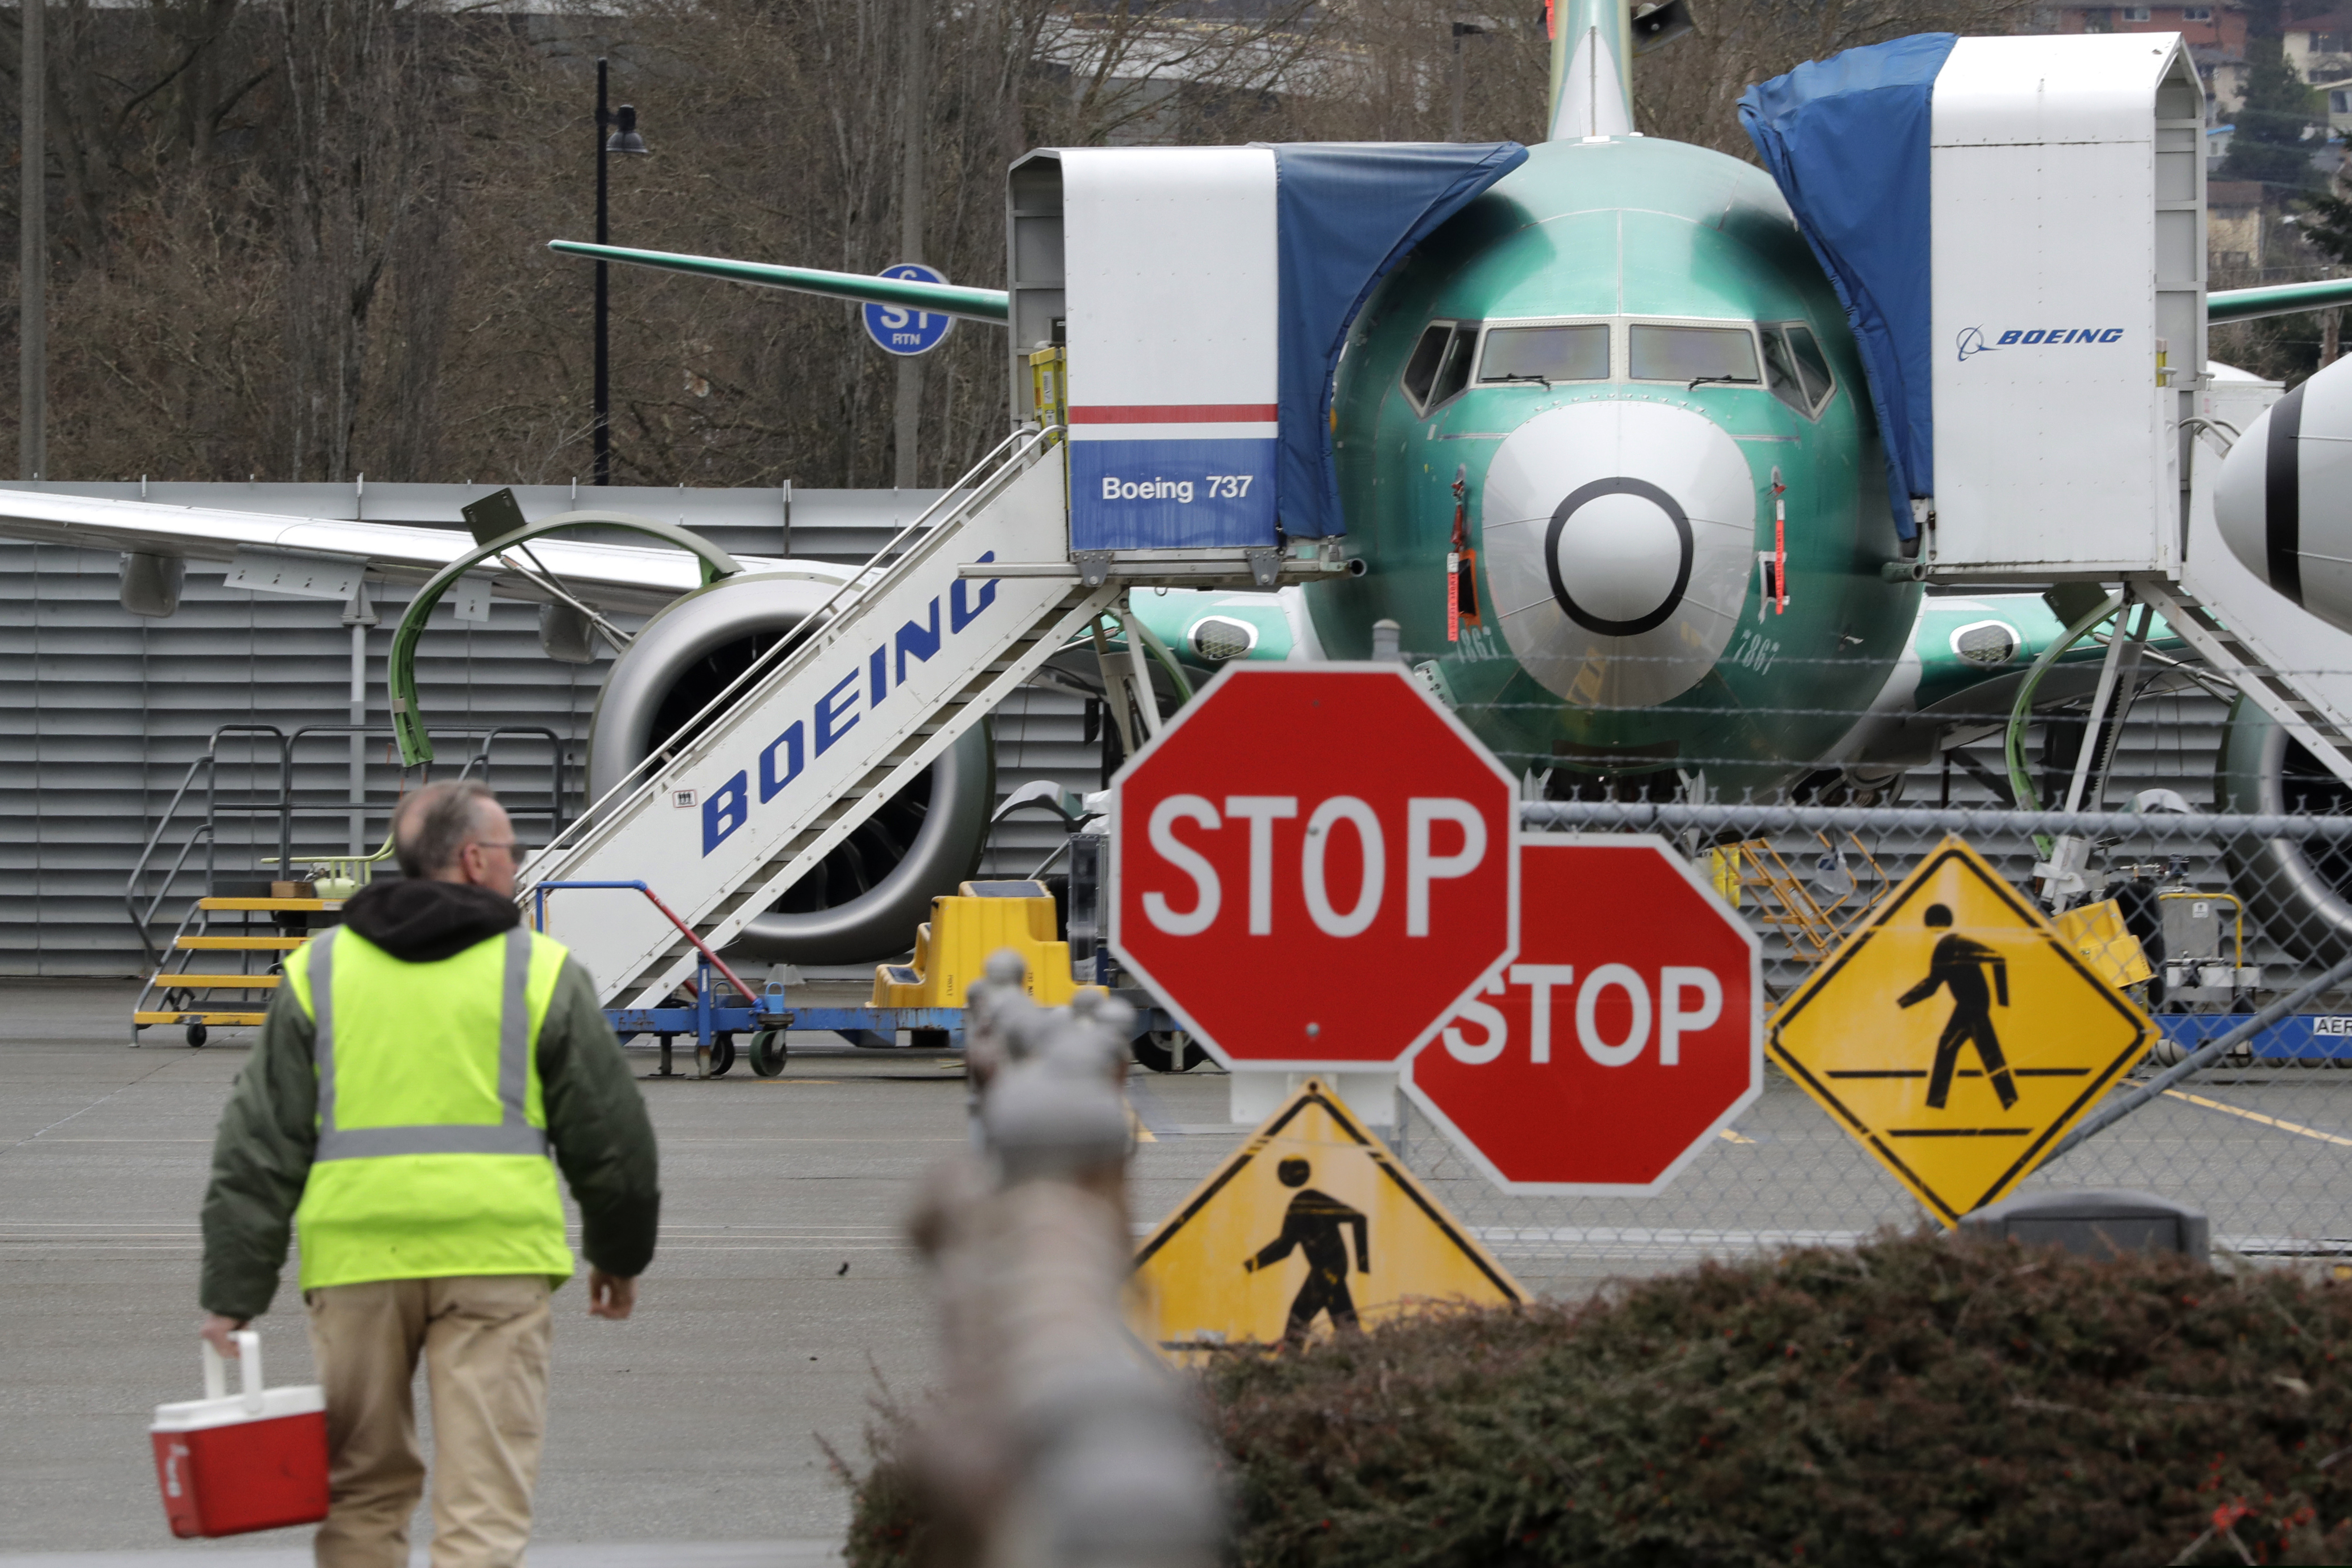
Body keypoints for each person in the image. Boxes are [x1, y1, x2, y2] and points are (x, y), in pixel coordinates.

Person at [197, 779, 660, 1568]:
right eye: (511, 852)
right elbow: (613, 1141)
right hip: (495, 1265)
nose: (518, 865)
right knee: (483, 1504)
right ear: (475, 860)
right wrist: (618, 1255)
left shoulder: (319, 971)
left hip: (356, 1267)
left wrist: (231, 1296)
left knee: (362, 1494)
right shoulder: (540, 971)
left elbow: (258, 1143)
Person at [1896, 902, 2017, 1111]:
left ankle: (1936, 1103)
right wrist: (1902, 1003)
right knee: (1987, 1053)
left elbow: (1998, 959)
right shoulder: (1944, 947)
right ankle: (2010, 1100)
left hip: (1973, 1005)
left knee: (1950, 1047)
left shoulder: (1956, 944)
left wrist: (2004, 1003)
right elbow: (1932, 985)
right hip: (1969, 1005)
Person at [1243, 1156, 1369, 1343]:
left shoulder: (1310, 1198)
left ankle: (1290, 1367)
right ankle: (1365, 1364)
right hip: (1327, 1270)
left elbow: (1359, 1218)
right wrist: (1252, 1264)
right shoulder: (1296, 1206)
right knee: (1347, 1325)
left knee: (1298, 1318)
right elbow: (1285, 1246)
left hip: (1329, 1268)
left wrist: (1363, 1264)